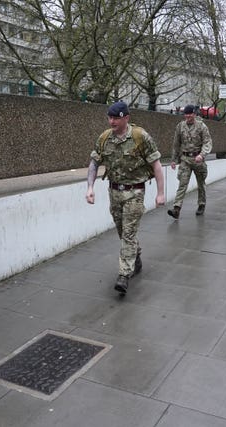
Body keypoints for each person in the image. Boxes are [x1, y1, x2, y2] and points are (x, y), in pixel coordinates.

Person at [86, 101, 165, 294]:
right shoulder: (105, 138)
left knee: (128, 233)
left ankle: (123, 275)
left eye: (116, 118)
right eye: (110, 117)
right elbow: (94, 163)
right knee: (123, 232)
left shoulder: (140, 136)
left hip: (135, 192)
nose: (112, 121)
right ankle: (135, 255)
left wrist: (160, 193)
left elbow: (156, 165)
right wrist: (90, 187)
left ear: (126, 118)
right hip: (114, 192)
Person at [167, 104, 213, 219]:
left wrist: (202, 155)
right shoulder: (180, 126)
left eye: (190, 114)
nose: (188, 116)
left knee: (201, 184)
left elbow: (207, 142)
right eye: (186, 114)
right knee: (182, 184)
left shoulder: (201, 126)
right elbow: (176, 144)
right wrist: (174, 159)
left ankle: (201, 204)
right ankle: (176, 208)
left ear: (194, 114)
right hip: (185, 160)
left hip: (198, 159)